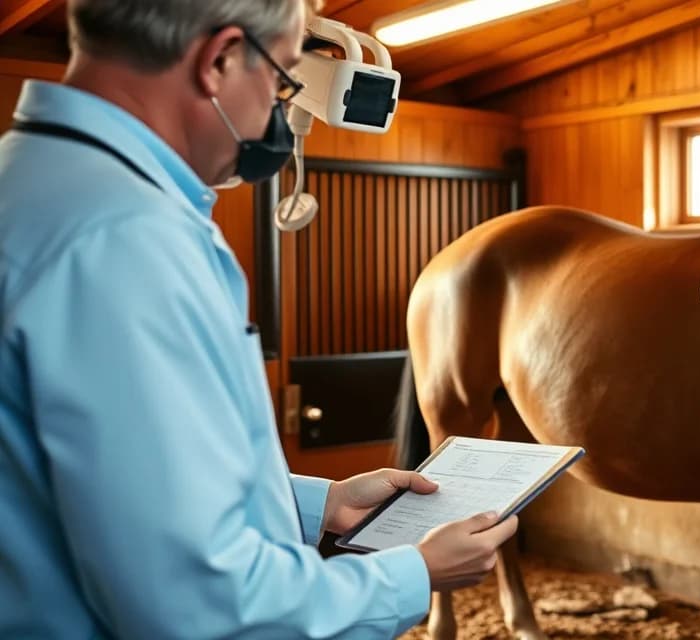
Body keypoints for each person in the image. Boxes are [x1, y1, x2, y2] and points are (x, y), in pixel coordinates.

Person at [0, 0, 517, 637]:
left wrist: (316, 503)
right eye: (280, 82)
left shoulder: (31, 182)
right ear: (218, 61)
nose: (279, 112)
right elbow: (197, 604)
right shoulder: (124, 241)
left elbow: (107, 485)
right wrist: (411, 574)